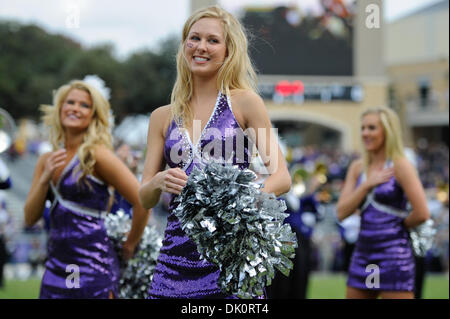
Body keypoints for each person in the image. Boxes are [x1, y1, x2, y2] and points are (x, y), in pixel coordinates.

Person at [139, 5, 291, 299]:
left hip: (229, 259)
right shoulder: (161, 117)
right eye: (194, 38)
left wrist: (240, 206)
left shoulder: (246, 103)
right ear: (184, 45)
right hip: (173, 261)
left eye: (213, 40)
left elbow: (282, 177)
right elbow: (144, 197)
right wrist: (158, 182)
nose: (201, 47)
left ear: (228, 50)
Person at [24, 80, 150, 298]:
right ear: (60, 108)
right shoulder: (47, 159)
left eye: (84, 105)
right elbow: (29, 218)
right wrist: (45, 178)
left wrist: (130, 244)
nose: (75, 108)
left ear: (94, 114)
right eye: (70, 102)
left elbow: (143, 200)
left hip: (93, 267)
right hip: (55, 267)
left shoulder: (97, 155)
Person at [337, 106, 430, 299]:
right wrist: (366, 185)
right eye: (363, 128)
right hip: (363, 253)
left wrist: (398, 226)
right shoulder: (357, 167)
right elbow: (341, 212)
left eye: (372, 128)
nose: (365, 133)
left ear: (387, 131)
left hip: (394, 255)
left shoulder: (401, 165)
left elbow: (422, 213)